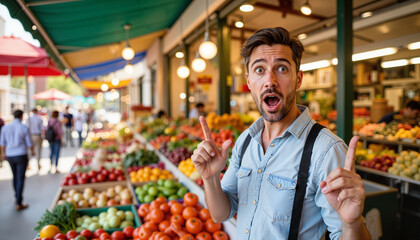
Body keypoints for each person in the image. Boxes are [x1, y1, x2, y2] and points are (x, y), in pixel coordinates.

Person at [191, 27, 371, 240]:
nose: (270, 81)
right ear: (249, 82)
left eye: (282, 68)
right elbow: (221, 213)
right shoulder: (246, 141)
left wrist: (352, 224)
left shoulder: (325, 150)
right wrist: (211, 178)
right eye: (260, 70)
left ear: (298, 79)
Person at [0, 110, 34, 211]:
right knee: (20, 178)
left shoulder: (5, 128)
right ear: (22, 116)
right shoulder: (23, 128)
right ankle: (19, 201)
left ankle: (16, 197)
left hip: (10, 155)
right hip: (21, 155)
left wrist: (3, 153)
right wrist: (32, 152)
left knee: (14, 176)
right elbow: (29, 143)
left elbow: (2, 143)